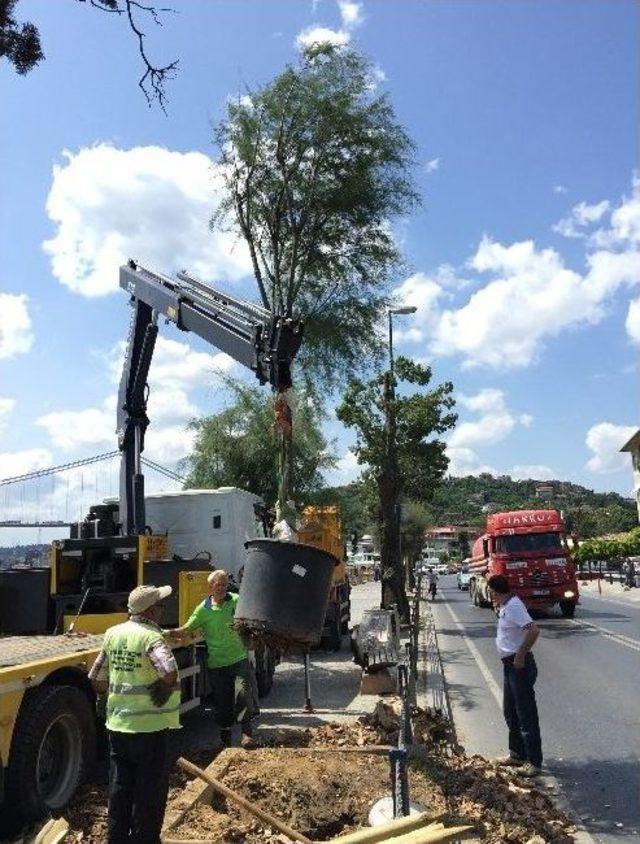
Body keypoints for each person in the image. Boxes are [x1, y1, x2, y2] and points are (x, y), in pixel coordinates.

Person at [89, 584, 180, 844]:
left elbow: (96, 677)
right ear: (152, 611)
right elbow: (167, 671)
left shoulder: (113, 633)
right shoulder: (151, 637)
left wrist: (116, 695)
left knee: (120, 786)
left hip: (118, 724)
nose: (162, 611)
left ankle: (117, 839)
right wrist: (158, 690)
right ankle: (144, 839)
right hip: (149, 727)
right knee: (149, 790)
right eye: (160, 606)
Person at [169, 570, 258, 747]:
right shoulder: (204, 609)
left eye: (225, 584)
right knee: (222, 701)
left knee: (242, 694)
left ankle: (247, 734)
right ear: (210, 586)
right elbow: (187, 628)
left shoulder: (236, 600)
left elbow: (251, 620)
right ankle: (225, 738)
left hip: (238, 659)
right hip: (217, 664)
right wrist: (165, 633)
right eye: (218, 585)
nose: (222, 588)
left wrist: (252, 636)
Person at [488, 574, 542, 777]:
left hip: (519, 665)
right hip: (508, 666)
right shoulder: (505, 606)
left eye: (490, 590)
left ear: (495, 590)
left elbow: (534, 630)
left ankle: (534, 762)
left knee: (525, 712)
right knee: (510, 711)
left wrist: (520, 655)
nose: (489, 594)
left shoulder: (514, 607)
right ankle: (517, 753)